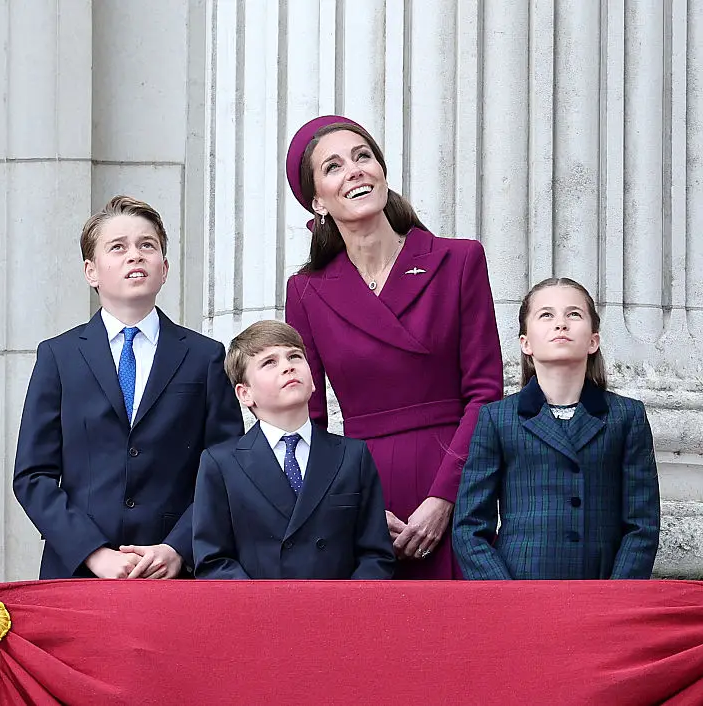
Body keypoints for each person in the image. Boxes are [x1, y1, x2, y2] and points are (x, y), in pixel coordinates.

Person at [283, 115, 503, 579]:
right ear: (317, 201)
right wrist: (350, 506)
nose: (356, 170)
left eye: (364, 157)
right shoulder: (305, 291)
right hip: (363, 490)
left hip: (456, 477)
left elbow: (484, 392)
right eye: (334, 166)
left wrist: (446, 498)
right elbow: (308, 416)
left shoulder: (458, 259)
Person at [13, 196, 244, 579]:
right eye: (117, 247)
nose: (134, 255)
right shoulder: (59, 356)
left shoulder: (204, 357)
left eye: (147, 245)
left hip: (175, 574)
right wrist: (94, 553)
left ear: (164, 268)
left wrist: (177, 548)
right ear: (91, 271)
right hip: (78, 572)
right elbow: (32, 476)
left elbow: (225, 469)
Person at [453, 278, 660, 579]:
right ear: (526, 343)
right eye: (546, 315)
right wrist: (502, 593)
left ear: (593, 340)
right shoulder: (497, 419)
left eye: (574, 314)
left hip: (601, 588)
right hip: (520, 588)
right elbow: (469, 526)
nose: (560, 323)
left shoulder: (626, 416)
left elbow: (642, 524)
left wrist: (616, 594)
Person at [193, 320, 394, 580]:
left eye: (295, 356)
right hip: (260, 614)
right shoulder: (220, 463)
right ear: (245, 394)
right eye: (269, 362)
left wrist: (346, 610)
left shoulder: (353, 456)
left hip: (339, 613)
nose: (288, 366)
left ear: (312, 381)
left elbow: (375, 554)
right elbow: (213, 560)